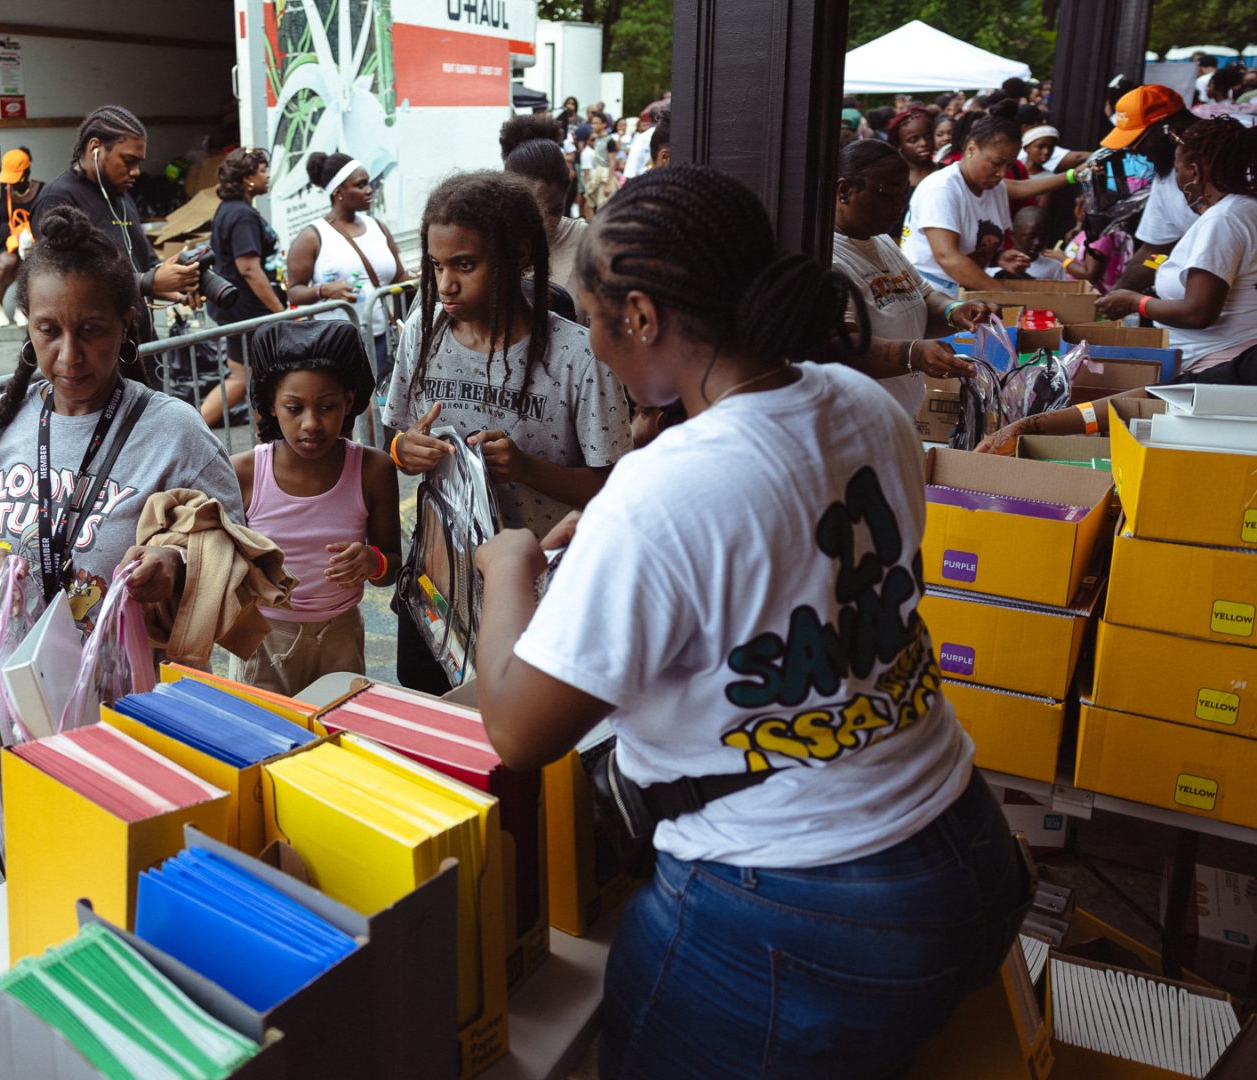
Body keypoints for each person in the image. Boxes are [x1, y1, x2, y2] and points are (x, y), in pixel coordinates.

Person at [472, 163, 1027, 1078]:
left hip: (798, 912)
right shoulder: (858, 402)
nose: (595, 345)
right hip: (963, 842)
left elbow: (518, 726)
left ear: (643, 316)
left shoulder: (662, 490)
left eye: (594, 318)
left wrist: (511, 566)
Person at [383, 171, 630, 694]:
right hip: (440, 583)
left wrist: (526, 468)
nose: (446, 284)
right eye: (436, 265)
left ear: (519, 256)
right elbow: (395, 444)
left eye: (465, 265)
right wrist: (407, 451)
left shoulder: (579, 358)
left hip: (540, 590)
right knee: (438, 719)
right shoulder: (422, 336)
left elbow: (613, 490)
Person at [0, 204, 243, 628]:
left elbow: (235, 546)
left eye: (91, 330)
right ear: (29, 325)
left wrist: (176, 564)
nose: (69, 356)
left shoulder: (174, 431)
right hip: (24, 683)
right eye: (49, 330)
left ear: (124, 326)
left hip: (137, 687)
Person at [231, 320, 397, 695]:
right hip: (263, 638)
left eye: (327, 407)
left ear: (350, 402)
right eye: (294, 408)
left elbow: (391, 568)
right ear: (270, 405)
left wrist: (373, 561)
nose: (311, 424)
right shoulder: (244, 472)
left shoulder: (372, 470)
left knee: (337, 734)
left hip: (342, 635)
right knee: (264, 740)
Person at [829, 140, 986, 416]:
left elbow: (925, 297)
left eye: (905, 193)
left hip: (895, 418)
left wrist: (955, 311)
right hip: (856, 424)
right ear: (845, 191)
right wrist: (913, 355)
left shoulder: (882, 241)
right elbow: (842, 347)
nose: (901, 205)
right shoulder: (829, 258)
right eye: (888, 193)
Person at [1096, 120, 1257, 373]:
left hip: (1215, 367)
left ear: (1193, 171)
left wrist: (1136, 302)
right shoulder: (1244, 207)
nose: (1176, 177)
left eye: (1176, 167)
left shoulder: (1223, 219)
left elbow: (1198, 312)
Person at [31, 106, 203, 340]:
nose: (136, 172)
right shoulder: (58, 198)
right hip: (96, 353)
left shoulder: (120, 194)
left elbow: (143, 263)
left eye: (138, 163)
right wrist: (149, 282)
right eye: (128, 161)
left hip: (139, 345)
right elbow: (70, 280)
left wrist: (174, 285)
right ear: (95, 149)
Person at [284, 151, 408, 380]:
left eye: (368, 183)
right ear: (338, 192)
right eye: (360, 185)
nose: (369, 189)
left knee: (379, 406)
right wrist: (324, 291)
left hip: (380, 340)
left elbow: (399, 277)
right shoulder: (313, 236)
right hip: (334, 344)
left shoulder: (378, 227)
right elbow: (294, 293)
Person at [902, 116, 1038, 294]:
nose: (1002, 173)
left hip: (964, 292)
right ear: (972, 149)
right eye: (997, 163)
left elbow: (972, 247)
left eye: (1009, 165)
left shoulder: (993, 187)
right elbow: (947, 256)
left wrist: (997, 257)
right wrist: (1005, 295)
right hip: (930, 294)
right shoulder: (941, 189)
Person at [201, 147, 285, 426]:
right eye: (263, 171)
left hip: (239, 310)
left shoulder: (231, 209)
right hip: (249, 312)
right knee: (249, 380)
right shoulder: (242, 215)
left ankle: (265, 445)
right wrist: (279, 311)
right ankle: (190, 430)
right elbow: (249, 268)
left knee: (247, 379)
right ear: (248, 178)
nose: (268, 176)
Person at [1103, 86, 1203, 293]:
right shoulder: (1165, 178)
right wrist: (1116, 294)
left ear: (1167, 129)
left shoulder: (1233, 164)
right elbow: (1152, 252)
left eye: (1137, 142)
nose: (1135, 152)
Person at [501, 114, 591, 297]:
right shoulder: (491, 243)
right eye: (531, 212)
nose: (545, 223)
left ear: (566, 194)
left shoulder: (589, 241)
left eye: (554, 210)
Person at [0, 147, 41, 322]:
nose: (11, 184)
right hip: (7, 244)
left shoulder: (42, 191)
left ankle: (22, 306)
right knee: (10, 261)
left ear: (26, 172)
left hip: (35, 243)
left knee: (32, 262)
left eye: (14, 179)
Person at [1006, 204, 1070, 281]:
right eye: (1031, 236)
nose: (1037, 242)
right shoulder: (996, 267)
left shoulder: (1054, 268)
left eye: (1043, 237)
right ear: (1013, 235)